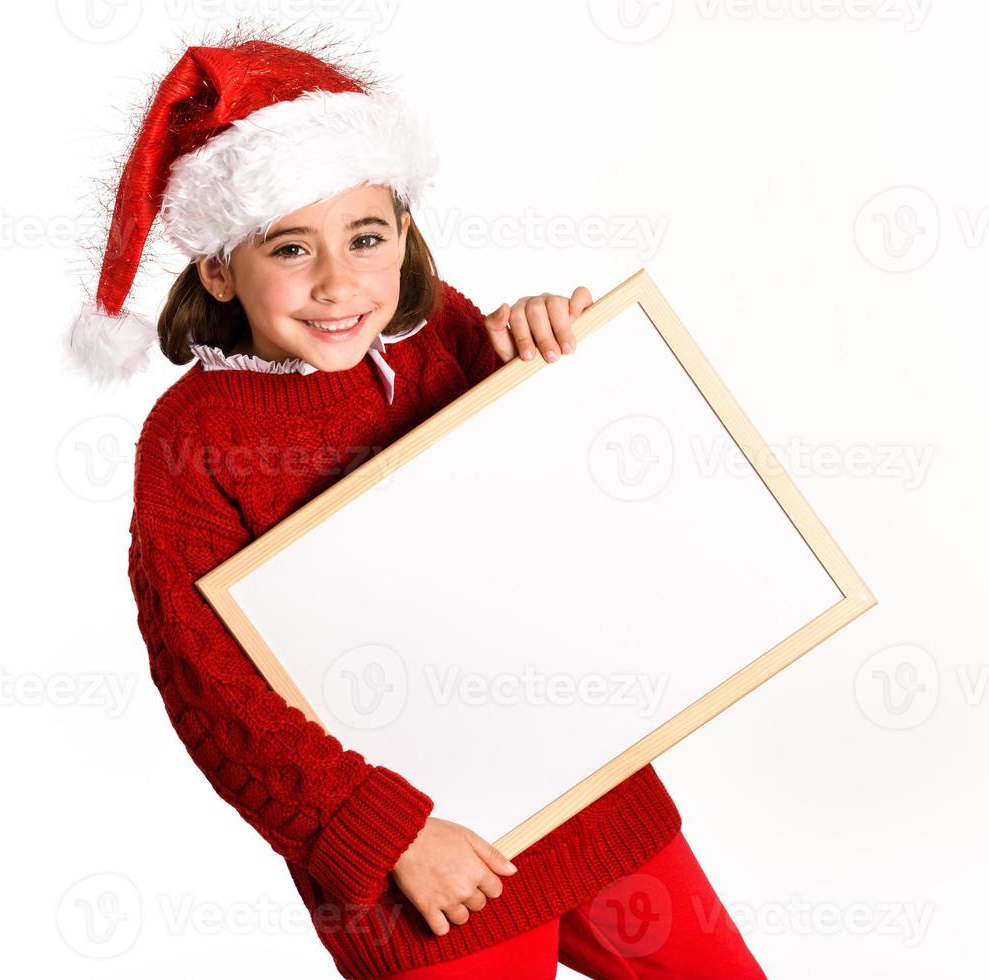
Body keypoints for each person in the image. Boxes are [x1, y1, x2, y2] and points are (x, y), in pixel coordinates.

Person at [65, 23, 769, 980]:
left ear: (404, 233)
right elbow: (212, 690)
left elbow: (553, 509)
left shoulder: (442, 331)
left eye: (365, 237)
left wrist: (537, 350)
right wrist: (388, 836)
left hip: (585, 789)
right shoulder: (195, 440)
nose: (337, 283)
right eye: (289, 249)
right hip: (424, 869)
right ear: (220, 269)